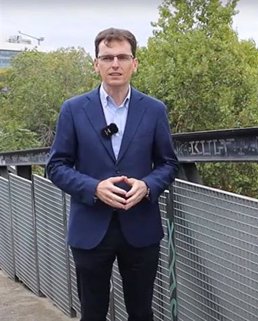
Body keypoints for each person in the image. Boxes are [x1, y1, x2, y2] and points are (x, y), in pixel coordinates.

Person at [47, 27, 178, 321]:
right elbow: (56, 166)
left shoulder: (154, 110)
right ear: (96, 64)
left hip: (141, 227)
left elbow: (169, 163)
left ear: (135, 63)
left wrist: (147, 185)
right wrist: (94, 188)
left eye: (122, 57)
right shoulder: (73, 110)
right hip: (90, 228)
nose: (115, 64)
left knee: (142, 312)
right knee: (92, 313)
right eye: (107, 58)